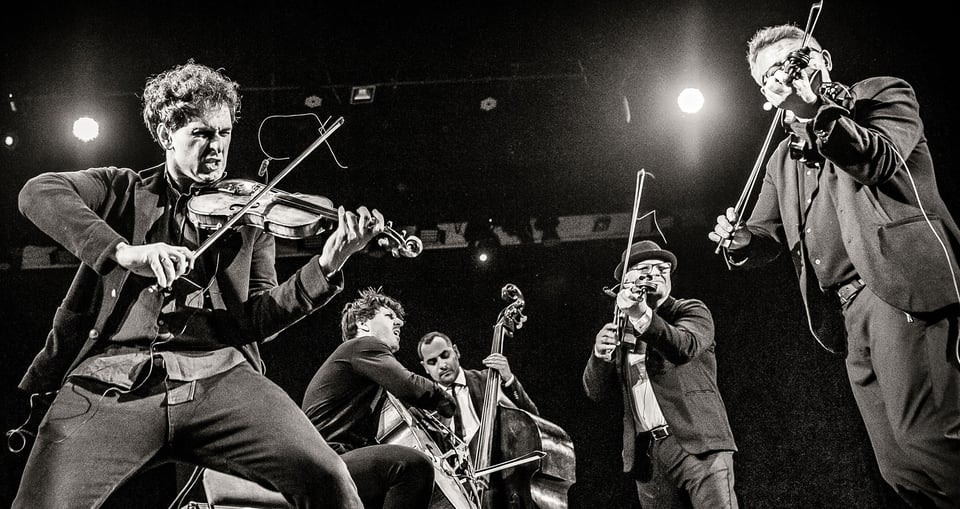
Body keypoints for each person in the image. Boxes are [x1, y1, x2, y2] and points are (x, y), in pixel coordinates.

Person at [11, 61, 381, 508]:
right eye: (201, 134)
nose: (217, 147)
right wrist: (124, 252)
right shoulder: (123, 190)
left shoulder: (250, 214)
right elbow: (37, 191)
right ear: (167, 135)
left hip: (221, 377)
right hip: (112, 382)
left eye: (224, 133)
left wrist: (325, 265)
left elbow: (257, 317)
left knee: (329, 477)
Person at [709, 23, 960, 508]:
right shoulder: (782, 157)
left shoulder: (879, 97)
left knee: (930, 439)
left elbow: (879, 160)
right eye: (770, 75)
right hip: (846, 315)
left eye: (792, 61)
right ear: (765, 94)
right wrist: (739, 240)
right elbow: (765, 235)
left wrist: (818, 111)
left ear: (822, 58)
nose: (783, 74)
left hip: (897, 286)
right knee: (898, 467)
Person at [583, 240, 738, 509]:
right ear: (626, 280)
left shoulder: (689, 311)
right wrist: (599, 355)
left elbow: (682, 347)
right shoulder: (620, 330)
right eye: (645, 268)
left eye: (662, 268)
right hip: (648, 455)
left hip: (697, 442)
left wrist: (640, 313)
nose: (656, 273)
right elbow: (595, 391)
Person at [301, 287, 458, 509]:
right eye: (389, 316)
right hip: (327, 462)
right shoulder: (362, 345)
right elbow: (410, 386)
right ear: (363, 323)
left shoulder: (363, 369)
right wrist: (446, 401)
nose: (400, 323)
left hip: (333, 462)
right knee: (412, 466)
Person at [418, 331, 544, 508]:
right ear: (425, 367)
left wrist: (509, 379)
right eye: (432, 362)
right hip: (463, 496)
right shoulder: (427, 406)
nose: (442, 365)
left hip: (504, 483)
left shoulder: (488, 380)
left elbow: (533, 419)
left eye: (445, 355)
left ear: (456, 351)